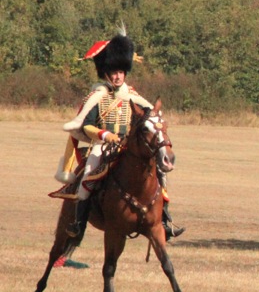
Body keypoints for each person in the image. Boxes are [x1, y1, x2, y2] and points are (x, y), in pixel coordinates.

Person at [61, 32, 183, 241]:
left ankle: (164, 220)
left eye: (120, 72)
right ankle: (78, 223)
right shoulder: (96, 96)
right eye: (113, 72)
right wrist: (105, 134)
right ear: (106, 73)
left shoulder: (132, 96)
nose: (118, 76)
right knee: (88, 174)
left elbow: (148, 117)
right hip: (102, 144)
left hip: (129, 145)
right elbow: (87, 125)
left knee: (159, 173)